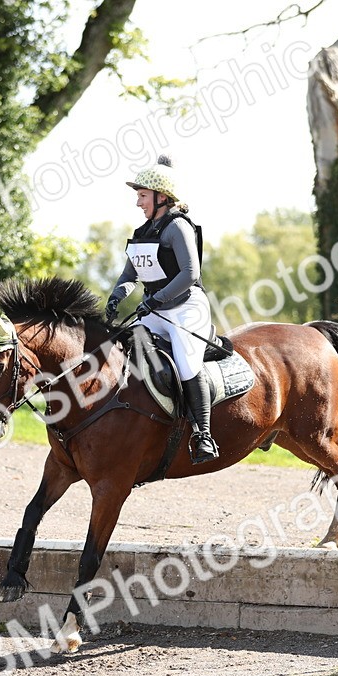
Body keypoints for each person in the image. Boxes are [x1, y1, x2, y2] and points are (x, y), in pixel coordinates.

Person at [105, 154, 219, 464]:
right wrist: (116, 296)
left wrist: (157, 300)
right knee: (120, 351)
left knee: (186, 363)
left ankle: (203, 435)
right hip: (155, 311)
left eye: (143, 195)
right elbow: (129, 276)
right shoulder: (143, 232)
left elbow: (190, 273)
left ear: (161, 196)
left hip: (186, 307)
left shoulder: (177, 227)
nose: (138, 202)